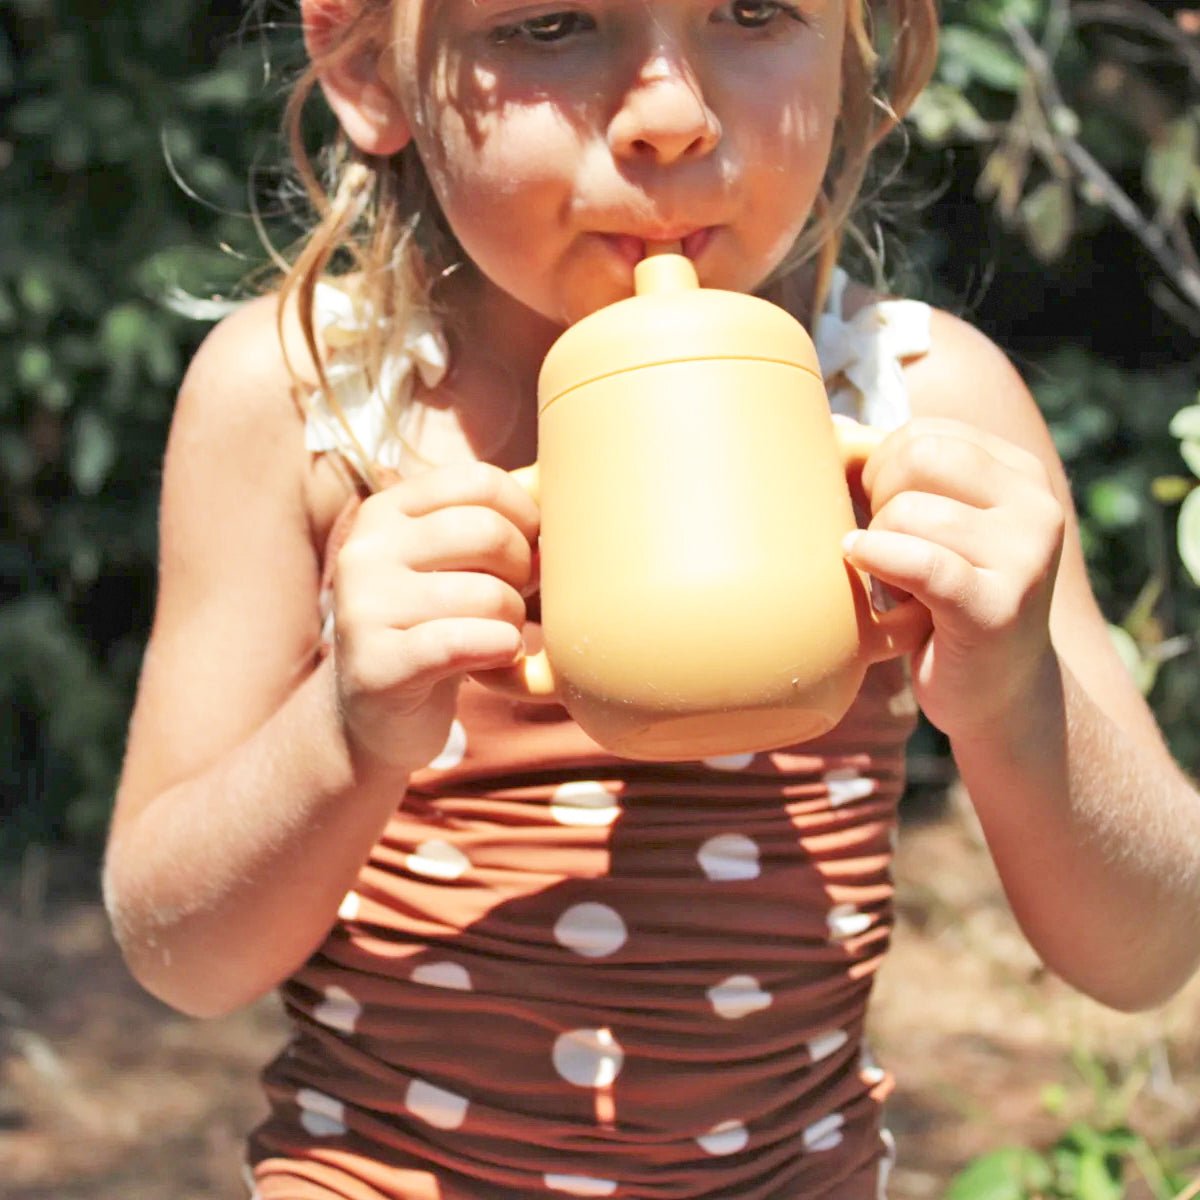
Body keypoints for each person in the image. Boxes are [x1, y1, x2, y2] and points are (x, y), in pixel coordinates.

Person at [102, 0, 1200, 1195]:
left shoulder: (915, 411)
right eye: (554, 24)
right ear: (371, 69)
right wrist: (345, 736)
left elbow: (1148, 952)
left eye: (754, 10)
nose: (671, 115)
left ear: (855, 47)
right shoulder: (309, 408)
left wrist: (1017, 699)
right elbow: (182, 956)